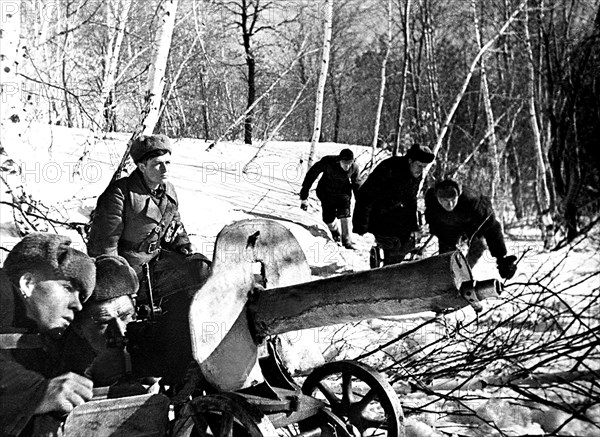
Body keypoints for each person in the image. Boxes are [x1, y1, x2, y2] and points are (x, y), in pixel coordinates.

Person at [87, 134, 210, 304]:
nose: (165, 170)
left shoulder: (169, 191)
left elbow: (175, 227)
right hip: (130, 271)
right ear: (142, 166)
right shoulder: (120, 194)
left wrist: (182, 244)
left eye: (167, 163)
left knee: (201, 268)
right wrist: (118, 286)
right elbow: (104, 248)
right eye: (157, 164)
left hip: (157, 263)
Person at [0, 233, 96, 436]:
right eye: (68, 288)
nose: (77, 305)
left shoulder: (40, 332)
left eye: (81, 296)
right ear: (28, 283)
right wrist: (36, 393)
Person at [61, 254, 138, 388]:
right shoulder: (66, 371)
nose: (120, 332)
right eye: (103, 323)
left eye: (125, 316)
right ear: (78, 327)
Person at [353, 143, 435, 266]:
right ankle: (388, 267)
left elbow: (410, 200)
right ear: (410, 160)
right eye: (419, 165)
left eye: (424, 166)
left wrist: (413, 226)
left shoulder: (416, 174)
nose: (421, 170)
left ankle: (393, 265)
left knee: (408, 242)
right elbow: (366, 195)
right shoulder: (389, 168)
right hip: (377, 214)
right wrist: (361, 226)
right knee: (392, 244)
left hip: (396, 214)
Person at [424, 178, 517, 279]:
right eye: (444, 200)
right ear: (437, 197)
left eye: (452, 199)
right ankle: (446, 279)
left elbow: (492, 228)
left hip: (471, 226)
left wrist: (501, 258)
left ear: (458, 196)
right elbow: (432, 220)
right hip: (447, 229)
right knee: (446, 259)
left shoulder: (473, 201)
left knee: (478, 246)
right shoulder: (431, 199)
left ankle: (463, 275)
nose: (450, 204)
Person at [300, 148, 362, 249]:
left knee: (345, 214)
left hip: (343, 193)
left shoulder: (354, 168)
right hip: (326, 192)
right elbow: (312, 174)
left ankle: (347, 241)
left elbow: (357, 184)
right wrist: (304, 193)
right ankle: (334, 231)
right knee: (328, 219)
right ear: (339, 161)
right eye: (345, 163)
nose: (347, 166)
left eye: (350, 163)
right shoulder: (328, 162)